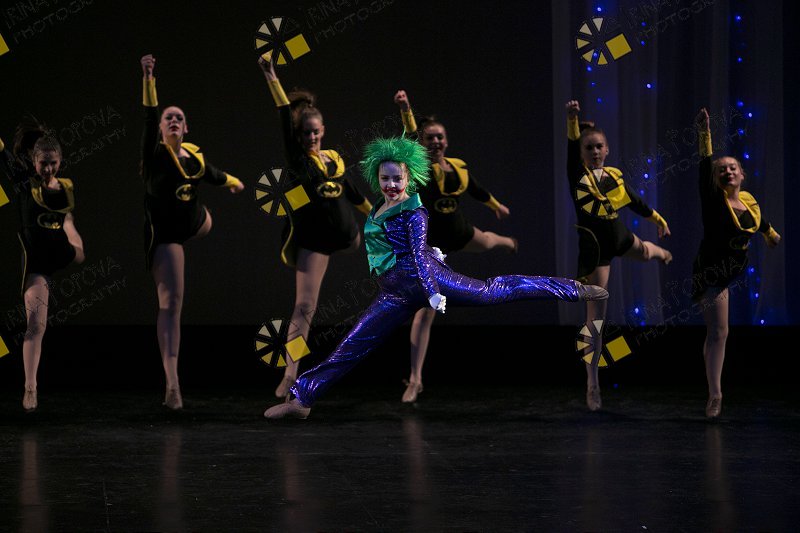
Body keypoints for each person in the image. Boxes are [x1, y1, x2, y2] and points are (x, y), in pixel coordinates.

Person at [264, 136, 609, 419]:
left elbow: (416, 254)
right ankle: (302, 399)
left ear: (408, 178)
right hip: (395, 292)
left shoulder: (413, 209)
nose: (391, 185)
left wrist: (431, 289)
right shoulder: (382, 206)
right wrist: (434, 253)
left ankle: (573, 289)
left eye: (397, 179)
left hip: (422, 280)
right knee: (352, 345)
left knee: (493, 291)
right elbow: (406, 248)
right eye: (385, 178)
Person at [257, 57, 372, 398]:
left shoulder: (334, 159)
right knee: (305, 307)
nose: (311, 137)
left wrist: (378, 216)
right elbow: (283, 113)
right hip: (315, 241)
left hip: (346, 235)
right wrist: (271, 75)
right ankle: (290, 374)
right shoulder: (297, 161)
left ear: (323, 130)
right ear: (299, 135)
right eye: (305, 132)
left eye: (315, 131)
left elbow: (355, 195)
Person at [393, 89, 517, 403]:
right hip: (432, 248)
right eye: (430, 138)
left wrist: (496, 206)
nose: (435, 142)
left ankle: (506, 241)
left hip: (459, 231)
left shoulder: (458, 166)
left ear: (446, 141)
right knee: (426, 312)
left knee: (486, 241)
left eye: (440, 137)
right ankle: (415, 379)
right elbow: (410, 136)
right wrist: (406, 108)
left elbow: (476, 190)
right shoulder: (418, 170)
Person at [140, 54, 245, 409]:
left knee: (200, 211)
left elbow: (213, 174)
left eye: (179, 119)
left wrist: (233, 182)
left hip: (196, 221)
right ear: (161, 128)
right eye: (168, 117)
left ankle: (201, 218)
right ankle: (172, 383)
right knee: (171, 304)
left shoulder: (195, 157)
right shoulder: (154, 155)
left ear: (186, 129)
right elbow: (149, 115)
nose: (173, 121)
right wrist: (149, 77)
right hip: (167, 234)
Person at [565, 100, 673, 411]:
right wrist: (572, 120)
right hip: (596, 250)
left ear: (607, 149)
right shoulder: (577, 176)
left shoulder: (613, 175)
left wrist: (658, 219)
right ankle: (592, 383)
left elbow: (634, 201)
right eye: (589, 148)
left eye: (599, 146)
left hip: (619, 236)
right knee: (595, 321)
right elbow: (571, 150)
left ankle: (661, 253)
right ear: (582, 153)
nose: (595, 151)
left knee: (646, 252)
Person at [693, 107, 780, 418]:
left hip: (734, 269)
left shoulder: (750, 200)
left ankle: (712, 375)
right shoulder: (713, 200)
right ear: (716, 179)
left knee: (716, 333)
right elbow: (705, 165)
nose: (728, 172)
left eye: (733, 168)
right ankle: (715, 395)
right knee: (719, 331)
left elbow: (759, 220)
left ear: (742, 174)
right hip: (712, 270)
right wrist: (704, 133)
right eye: (722, 170)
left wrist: (770, 233)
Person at [0, 121, 85, 411]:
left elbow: (66, 216)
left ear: (59, 161)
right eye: (42, 164)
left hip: (60, 250)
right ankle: (30, 387)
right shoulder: (25, 183)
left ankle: (75, 243)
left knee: (78, 251)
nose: (48, 169)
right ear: (34, 162)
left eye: (53, 163)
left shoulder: (65, 187)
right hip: (37, 264)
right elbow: (4, 156)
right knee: (36, 324)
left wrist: (71, 233)